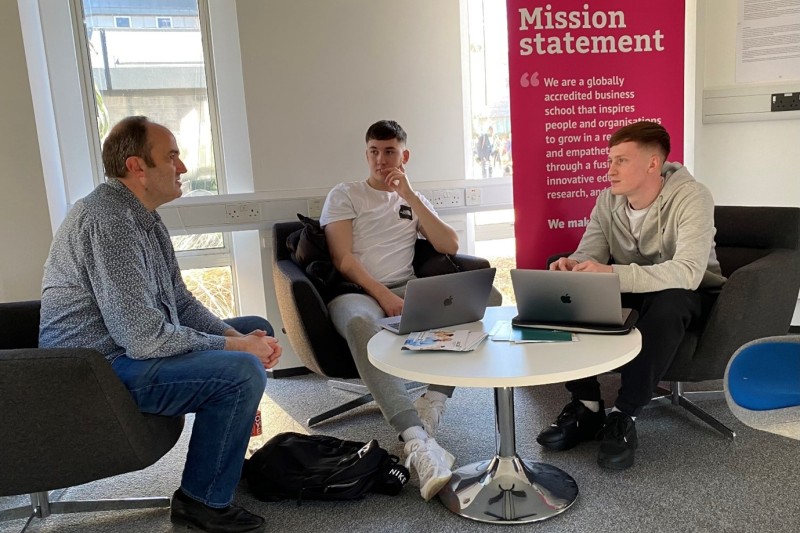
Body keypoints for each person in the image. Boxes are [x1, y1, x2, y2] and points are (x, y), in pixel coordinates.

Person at [39, 116, 280, 533]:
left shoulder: (141, 214)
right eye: (172, 157)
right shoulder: (109, 220)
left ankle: (220, 459)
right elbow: (143, 338)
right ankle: (200, 502)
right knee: (239, 372)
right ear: (137, 167)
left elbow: (179, 302)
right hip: (95, 372)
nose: (182, 167)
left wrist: (237, 336)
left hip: (126, 351)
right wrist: (240, 350)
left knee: (253, 327)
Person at [537, 120, 726, 470]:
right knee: (566, 283)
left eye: (621, 160)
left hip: (692, 295)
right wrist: (570, 266)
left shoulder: (692, 196)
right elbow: (588, 252)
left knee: (670, 300)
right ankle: (587, 407)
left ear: (653, 163)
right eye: (610, 160)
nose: (610, 170)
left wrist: (611, 273)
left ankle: (623, 416)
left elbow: (688, 272)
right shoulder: (607, 201)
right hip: (636, 289)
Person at [320, 120, 464, 501]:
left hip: (407, 287)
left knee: (473, 307)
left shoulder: (410, 198)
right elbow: (343, 259)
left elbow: (449, 243)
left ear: (405, 155)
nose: (381, 161)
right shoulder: (346, 194)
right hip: (357, 290)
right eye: (373, 152)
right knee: (359, 322)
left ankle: (432, 403)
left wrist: (412, 195)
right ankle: (417, 443)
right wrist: (383, 295)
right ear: (366, 153)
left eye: (389, 152)